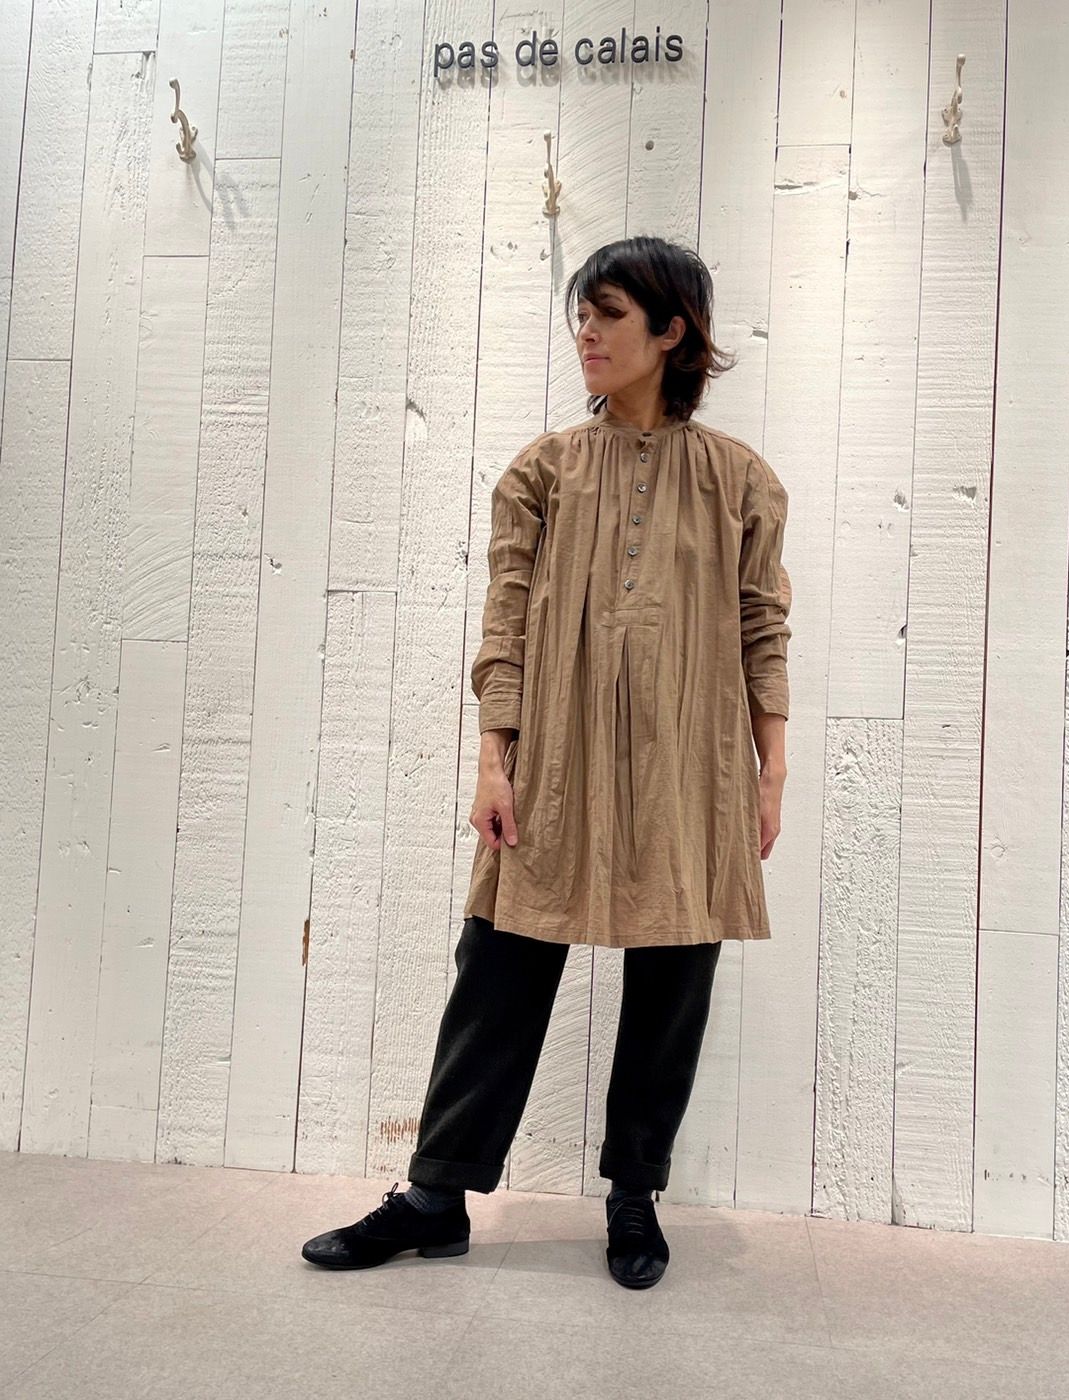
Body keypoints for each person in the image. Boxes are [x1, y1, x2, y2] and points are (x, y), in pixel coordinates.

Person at [302, 235, 793, 1289]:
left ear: (672, 332)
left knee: (672, 984)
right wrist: (495, 759)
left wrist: (771, 767)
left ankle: (634, 1197)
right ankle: (435, 1196)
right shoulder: (542, 471)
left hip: (690, 766)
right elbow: (508, 624)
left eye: (609, 314)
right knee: (499, 970)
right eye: (582, 312)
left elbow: (763, 625)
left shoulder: (740, 480)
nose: (586, 332)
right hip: (555, 761)